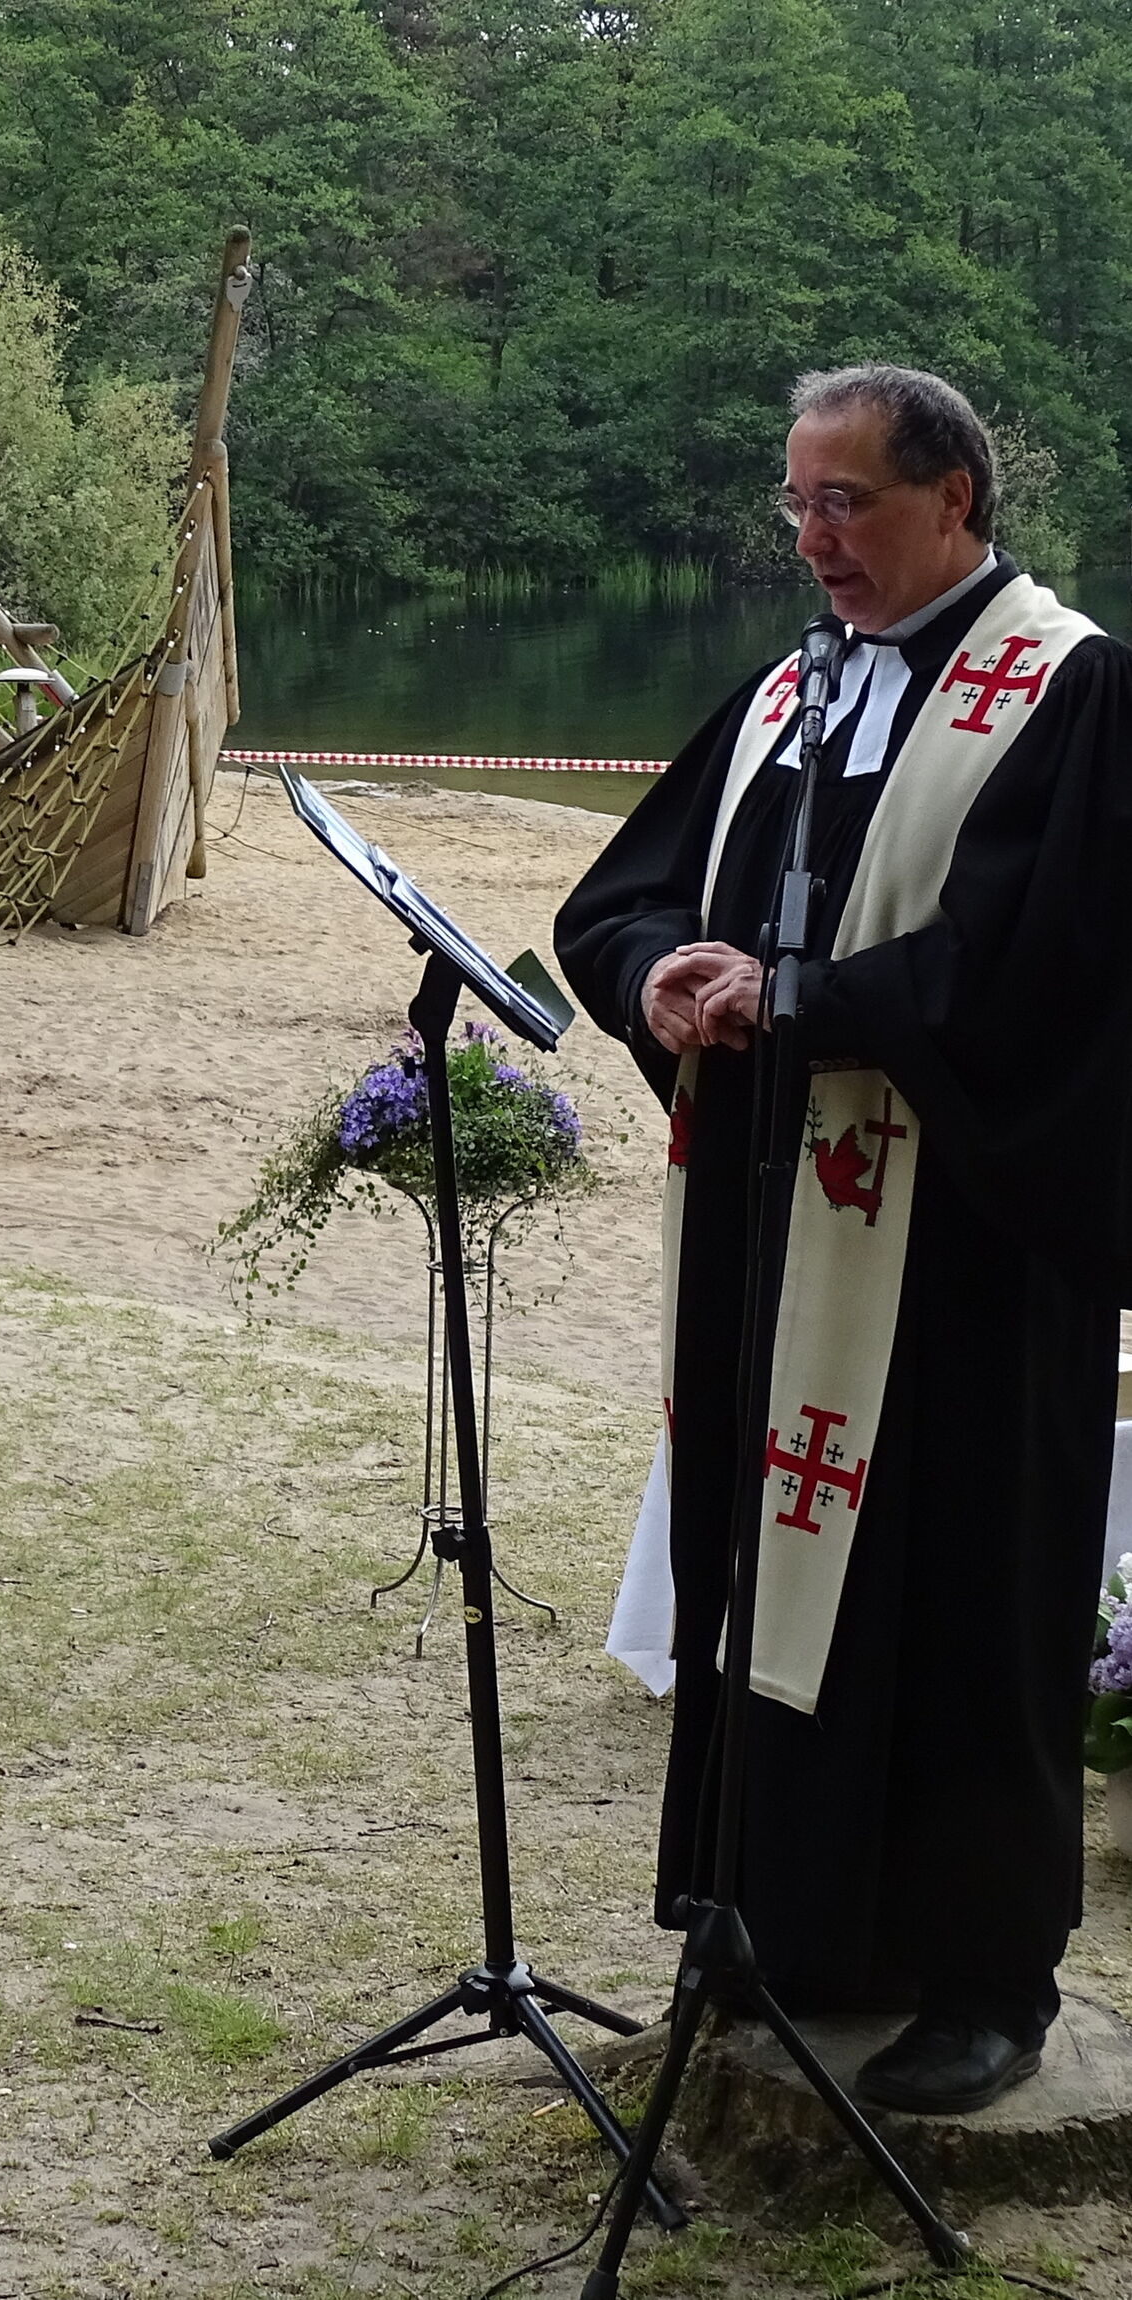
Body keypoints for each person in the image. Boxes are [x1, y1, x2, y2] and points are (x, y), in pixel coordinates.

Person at [554, 364, 1132, 2115]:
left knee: (964, 1594)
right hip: (774, 1224)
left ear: (952, 498)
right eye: (793, 505)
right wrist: (661, 968)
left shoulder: (1072, 688)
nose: (814, 540)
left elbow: (1051, 974)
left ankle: (981, 1981)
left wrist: (798, 997)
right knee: (772, 1568)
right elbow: (634, 884)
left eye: (848, 503)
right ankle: (783, 1927)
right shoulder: (794, 690)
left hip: (966, 1242)